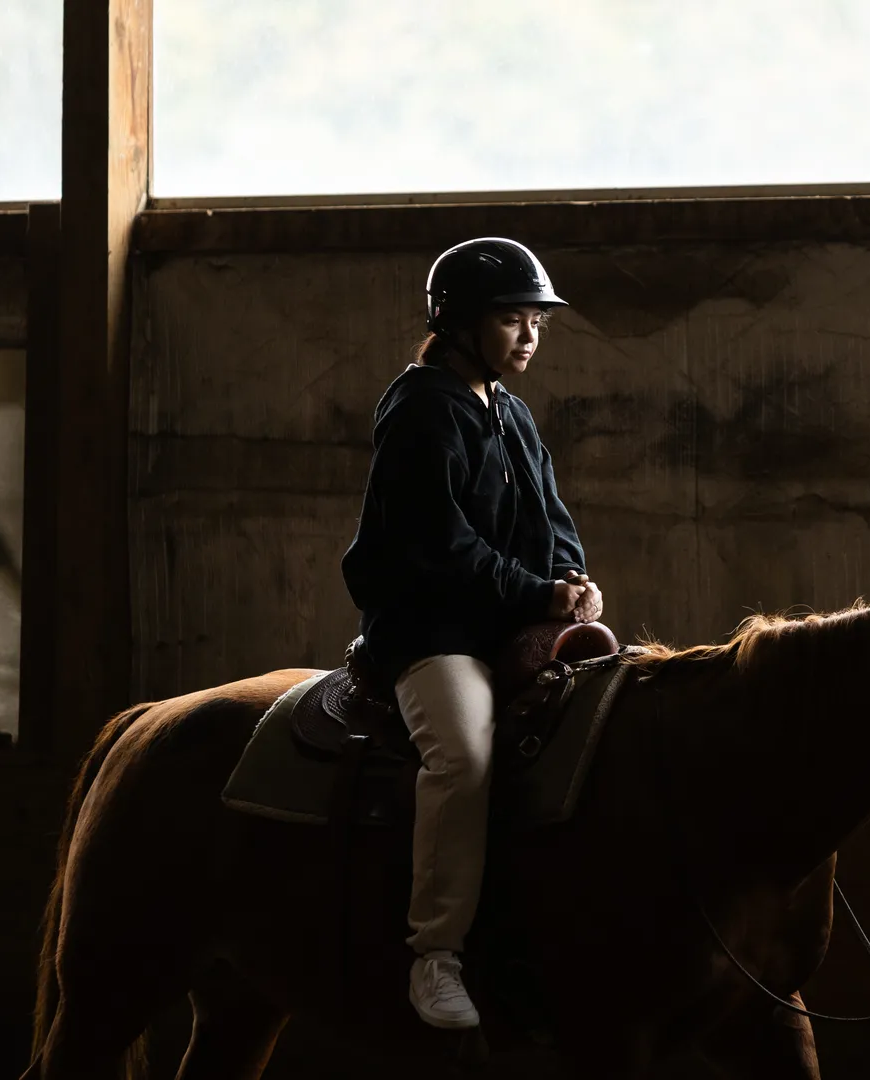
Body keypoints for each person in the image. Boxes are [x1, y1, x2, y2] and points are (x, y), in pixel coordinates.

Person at [341, 237, 604, 1030]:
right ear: (457, 323)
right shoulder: (420, 409)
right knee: (463, 756)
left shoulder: (511, 412)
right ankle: (437, 954)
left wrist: (573, 580)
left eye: (537, 321)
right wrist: (538, 593)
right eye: (512, 319)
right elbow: (440, 546)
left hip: (510, 618)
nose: (529, 335)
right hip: (434, 630)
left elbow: (553, 519)